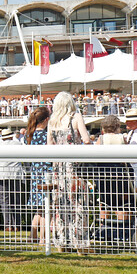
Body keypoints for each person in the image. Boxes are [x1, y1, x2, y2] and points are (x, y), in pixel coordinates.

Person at [47, 91, 91, 253]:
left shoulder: (53, 121)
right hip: (75, 167)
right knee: (79, 205)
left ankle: (61, 242)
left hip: (59, 168)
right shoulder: (76, 117)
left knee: (60, 205)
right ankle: (80, 243)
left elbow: (49, 146)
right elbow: (86, 140)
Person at [26, 107, 51, 244]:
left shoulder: (30, 135)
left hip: (35, 173)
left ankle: (33, 236)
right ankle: (43, 238)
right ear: (46, 119)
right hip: (46, 173)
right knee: (47, 208)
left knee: (39, 209)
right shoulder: (46, 135)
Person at [0, 128, 24, 232]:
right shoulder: (18, 144)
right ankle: (17, 225)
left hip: (2, 174)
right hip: (15, 174)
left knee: (4, 200)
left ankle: (8, 225)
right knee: (16, 200)